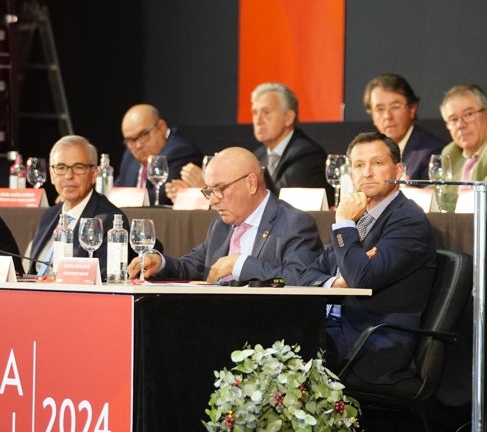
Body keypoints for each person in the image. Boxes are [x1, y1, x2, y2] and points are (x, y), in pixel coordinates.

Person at [297, 132, 437, 384]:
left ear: (398, 170)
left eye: (377, 163)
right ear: (351, 176)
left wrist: (343, 223)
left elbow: (362, 277)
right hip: (338, 330)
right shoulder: (359, 217)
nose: (367, 172)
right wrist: (336, 283)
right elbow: (307, 275)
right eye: (359, 166)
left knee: (283, 352)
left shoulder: (408, 220)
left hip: (375, 342)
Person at [132, 147, 323, 284]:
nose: (213, 200)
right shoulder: (221, 225)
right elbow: (192, 266)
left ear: (251, 183)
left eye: (219, 189)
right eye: (209, 191)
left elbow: (302, 279)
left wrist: (241, 265)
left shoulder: (294, 223)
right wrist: (160, 263)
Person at [27, 135, 134, 276]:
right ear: (52, 175)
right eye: (61, 167)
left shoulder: (109, 221)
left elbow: (104, 277)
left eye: (78, 167)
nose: (68, 176)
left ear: (94, 173)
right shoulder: (49, 216)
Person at [249, 82, 330, 199]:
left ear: (289, 118)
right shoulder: (256, 157)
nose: (258, 120)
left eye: (266, 112)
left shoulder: (308, 155)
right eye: (255, 113)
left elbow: (278, 199)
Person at [363, 73, 445, 180]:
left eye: (395, 107)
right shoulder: (368, 154)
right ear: (373, 116)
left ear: (412, 110)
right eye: (380, 109)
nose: (388, 116)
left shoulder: (433, 153)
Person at [113, 103, 203, 189]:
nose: (138, 145)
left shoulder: (181, 151)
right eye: (130, 140)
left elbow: (161, 196)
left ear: (162, 127)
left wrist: (125, 197)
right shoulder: (129, 155)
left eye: (144, 135)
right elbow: (118, 188)